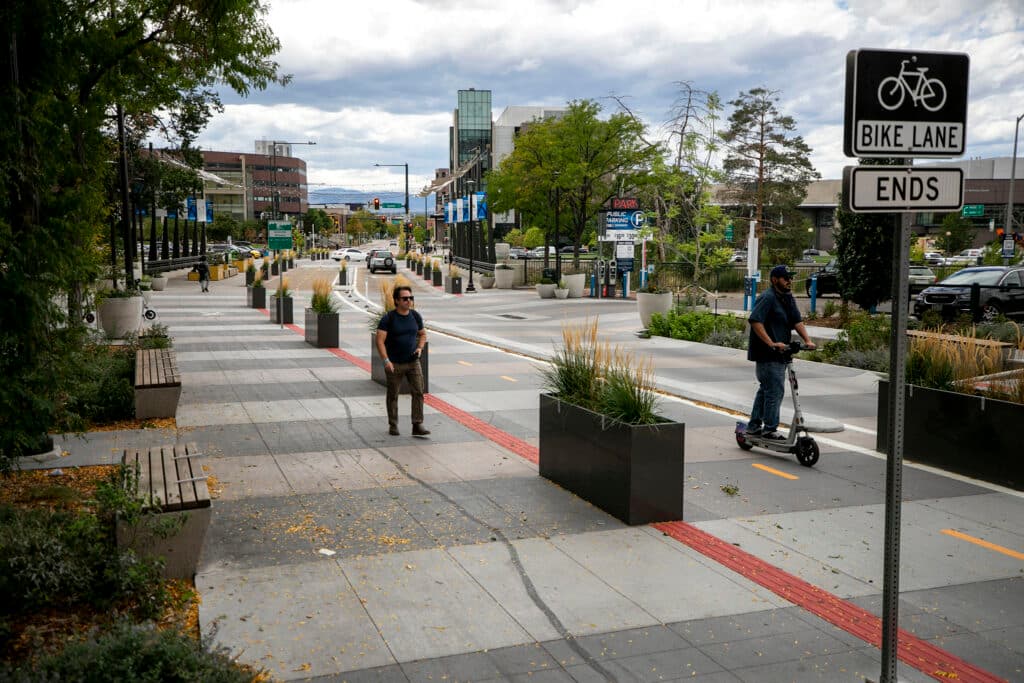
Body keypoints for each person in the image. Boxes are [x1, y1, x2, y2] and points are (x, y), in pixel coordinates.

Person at [745, 264, 816, 439]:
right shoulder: (767, 297)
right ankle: (769, 429)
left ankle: (754, 426)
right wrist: (771, 343)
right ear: (774, 279)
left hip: (781, 354)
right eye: (786, 278)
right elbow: (755, 321)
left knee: (767, 390)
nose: (789, 281)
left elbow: (796, 320)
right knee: (774, 391)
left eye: (790, 278)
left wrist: (807, 340)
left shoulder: (787, 297)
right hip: (766, 354)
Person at [375, 285, 430, 436]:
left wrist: (420, 348)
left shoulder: (415, 316)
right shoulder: (389, 318)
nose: (409, 301)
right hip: (394, 363)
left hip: (413, 362)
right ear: (397, 301)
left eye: (411, 298)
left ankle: (417, 424)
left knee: (418, 392)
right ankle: (393, 424)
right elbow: (379, 340)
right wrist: (386, 360)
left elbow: (423, 334)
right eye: (405, 298)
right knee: (393, 394)